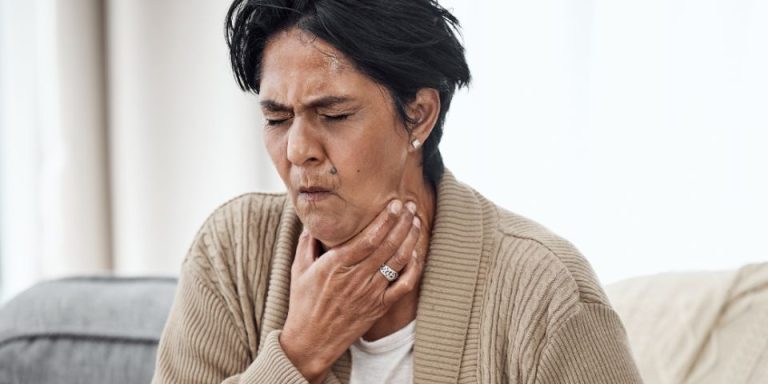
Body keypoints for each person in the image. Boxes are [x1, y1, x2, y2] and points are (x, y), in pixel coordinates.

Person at [152, 0, 643, 383]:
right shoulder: (233, 253)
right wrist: (300, 353)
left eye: (334, 115)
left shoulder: (542, 289)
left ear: (419, 115)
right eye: (277, 118)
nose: (298, 149)